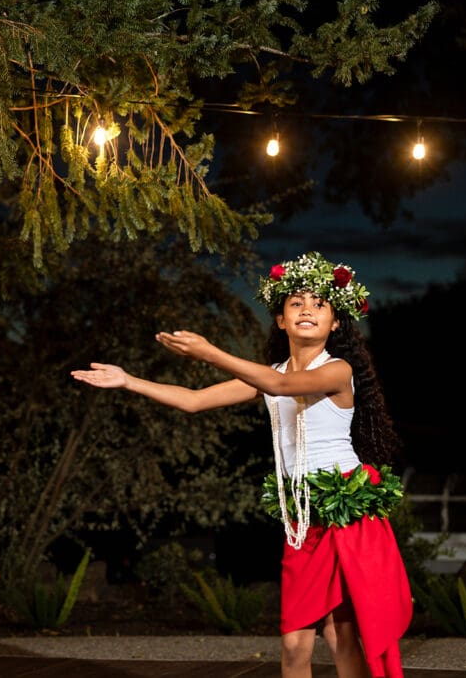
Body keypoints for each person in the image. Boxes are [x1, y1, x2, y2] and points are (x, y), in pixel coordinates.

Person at [71, 251, 412, 678]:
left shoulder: (338, 371)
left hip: (345, 511)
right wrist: (128, 380)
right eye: (296, 303)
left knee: (341, 632)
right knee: (294, 642)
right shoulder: (269, 374)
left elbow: (282, 385)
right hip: (302, 517)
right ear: (281, 320)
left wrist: (210, 353)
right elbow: (194, 401)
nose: (307, 309)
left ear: (335, 323)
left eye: (319, 304)